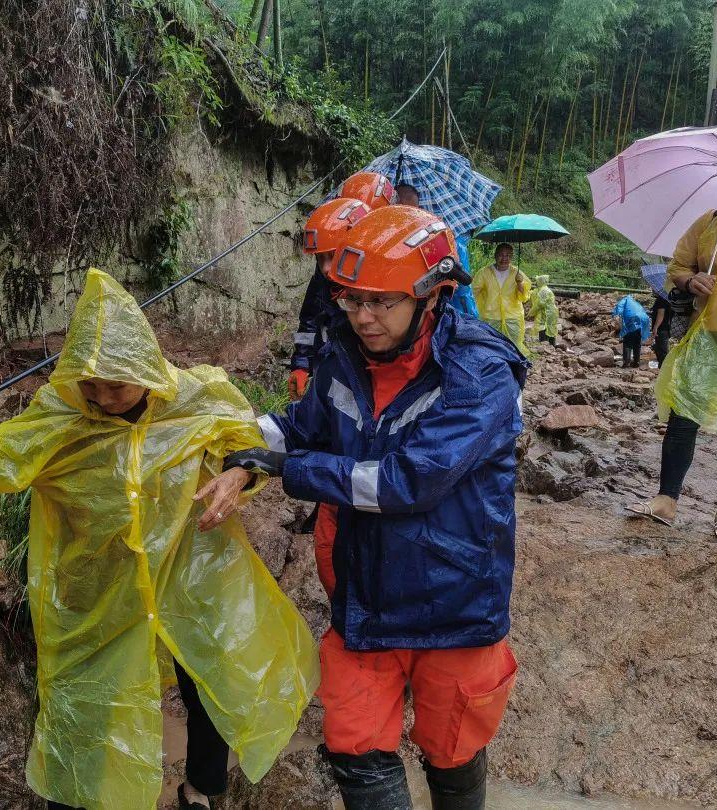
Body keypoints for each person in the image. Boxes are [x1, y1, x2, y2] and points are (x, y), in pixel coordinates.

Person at [0, 269, 318, 810]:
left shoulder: (196, 396)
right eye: (90, 382)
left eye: (116, 384)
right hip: (100, 586)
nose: (102, 397)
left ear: (147, 372)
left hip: (189, 565)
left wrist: (240, 473)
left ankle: (203, 787)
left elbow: (243, 439)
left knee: (212, 671)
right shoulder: (61, 418)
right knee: (92, 699)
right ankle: (81, 797)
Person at [237, 206, 527, 809]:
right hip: (367, 600)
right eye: (351, 299)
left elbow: (406, 482)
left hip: (455, 606)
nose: (363, 316)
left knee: (453, 750)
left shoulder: (479, 374)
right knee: (354, 746)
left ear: (433, 294)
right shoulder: (343, 352)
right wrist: (232, 440)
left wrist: (292, 470)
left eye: (381, 301)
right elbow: (302, 426)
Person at [629, 152, 717, 543]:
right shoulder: (712, 226)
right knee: (684, 416)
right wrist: (691, 282)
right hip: (707, 338)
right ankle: (666, 500)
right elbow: (678, 268)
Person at [288, 198, 371, 400]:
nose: (325, 268)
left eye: (332, 256)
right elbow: (308, 323)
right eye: (319, 258)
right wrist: (301, 364)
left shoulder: (379, 291)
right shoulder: (322, 281)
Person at [472, 243, 532, 356]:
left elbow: (524, 297)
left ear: (512, 257)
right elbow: (473, 292)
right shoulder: (484, 272)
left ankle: (514, 371)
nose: (504, 259)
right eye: (501, 255)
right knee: (491, 348)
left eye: (508, 255)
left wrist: (520, 284)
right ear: (495, 255)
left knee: (514, 348)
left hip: (512, 318)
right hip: (490, 318)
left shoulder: (517, 273)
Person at [612, 294, 651, 368]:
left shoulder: (624, 301)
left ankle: (626, 363)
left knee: (627, 342)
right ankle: (636, 362)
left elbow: (618, 310)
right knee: (637, 342)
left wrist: (614, 315)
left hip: (632, 320)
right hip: (643, 321)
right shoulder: (635, 303)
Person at [529, 275, 559, 346]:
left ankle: (544, 345)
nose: (536, 283)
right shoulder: (545, 289)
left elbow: (539, 304)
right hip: (551, 312)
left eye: (537, 281)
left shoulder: (543, 291)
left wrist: (530, 313)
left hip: (546, 312)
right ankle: (552, 345)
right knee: (551, 327)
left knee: (542, 326)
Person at [651, 293, 673, 365]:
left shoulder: (661, 298)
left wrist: (655, 327)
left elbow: (661, 314)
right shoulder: (669, 297)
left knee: (662, 352)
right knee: (662, 349)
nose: (652, 289)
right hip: (667, 328)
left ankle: (663, 369)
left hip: (662, 329)